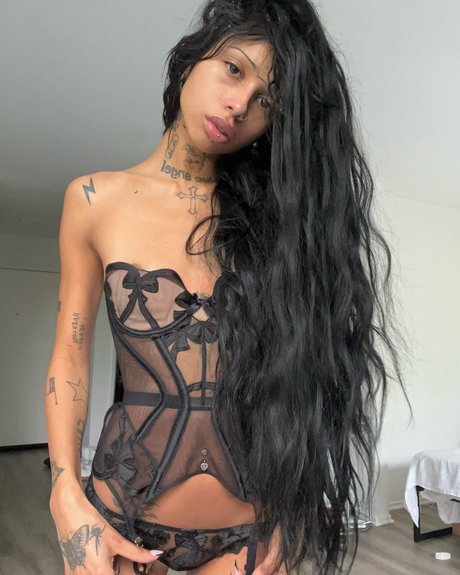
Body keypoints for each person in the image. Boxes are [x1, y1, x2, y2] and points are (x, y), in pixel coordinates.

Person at [45, 1, 404, 574]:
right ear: (194, 57)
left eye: (268, 101)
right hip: (119, 520)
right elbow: (70, 353)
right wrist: (64, 492)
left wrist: (295, 513)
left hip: (253, 536)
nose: (240, 106)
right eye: (234, 69)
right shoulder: (93, 200)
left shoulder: (278, 225)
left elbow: (312, 374)